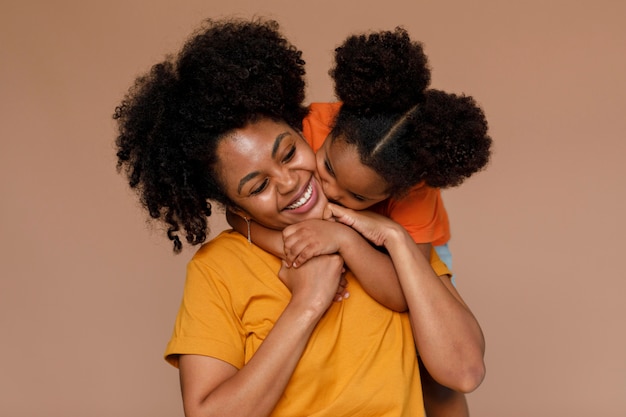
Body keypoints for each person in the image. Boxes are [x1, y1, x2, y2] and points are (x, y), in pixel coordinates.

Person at [114, 18, 485, 416]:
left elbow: (460, 374)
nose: (290, 182)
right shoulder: (218, 269)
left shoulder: (390, 219)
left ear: (299, 130)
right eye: (257, 187)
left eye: (289, 153)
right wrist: (307, 301)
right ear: (235, 207)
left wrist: (385, 238)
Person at [230, 28, 492, 417]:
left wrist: (344, 240)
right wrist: (295, 241)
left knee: (432, 369)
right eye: (329, 168)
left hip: (411, 248)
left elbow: (403, 291)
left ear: (396, 191)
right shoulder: (307, 127)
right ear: (331, 128)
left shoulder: (416, 193)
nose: (332, 192)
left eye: (359, 196)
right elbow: (237, 210)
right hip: (352, 233)